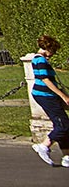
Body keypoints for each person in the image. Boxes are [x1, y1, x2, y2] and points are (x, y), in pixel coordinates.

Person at [31, 35, 69, 167]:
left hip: (49, 95)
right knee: (63, 125)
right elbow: (45, 80)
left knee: (63, 125)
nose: (53, 54)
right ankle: (44, 146)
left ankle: (66, 156)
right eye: (53, 51)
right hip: (45, 95)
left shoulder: (41, 60)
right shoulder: (39, 60)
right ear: (48, 48)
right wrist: (63, 96)